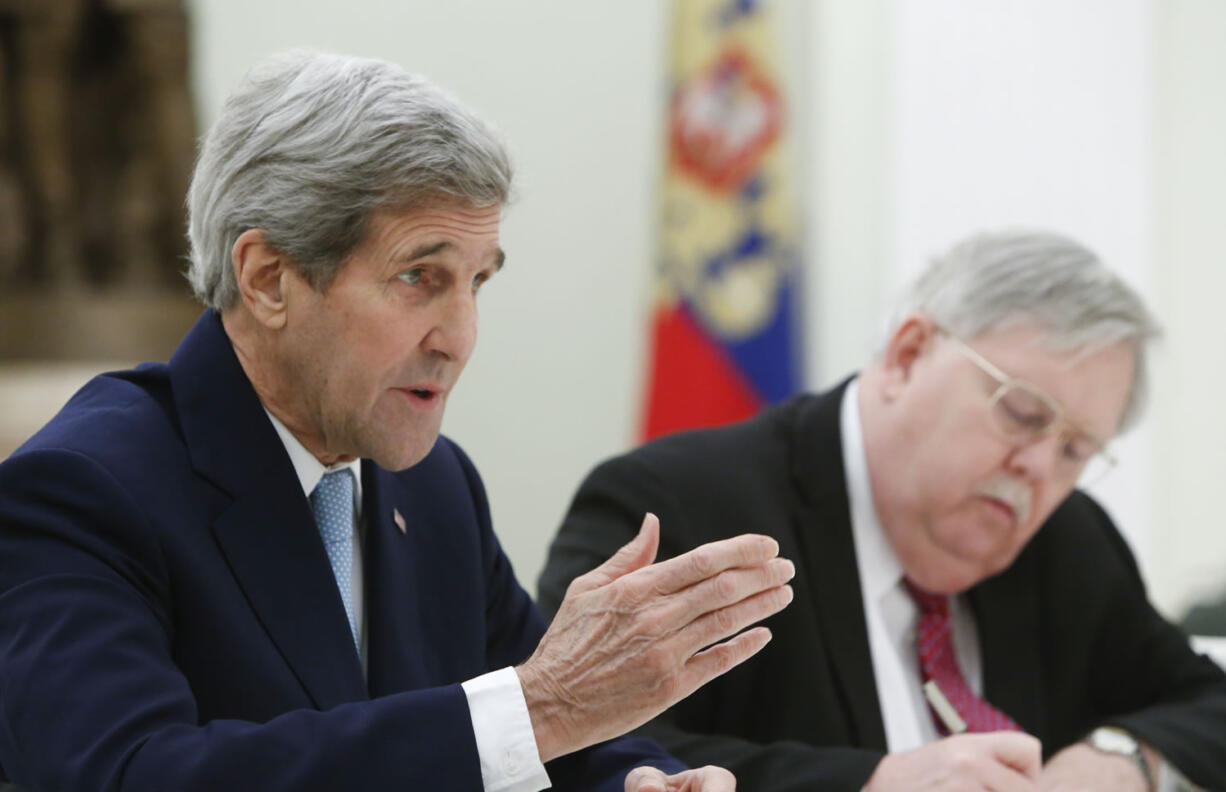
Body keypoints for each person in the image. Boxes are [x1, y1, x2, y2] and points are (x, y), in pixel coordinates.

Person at [0, 50, 798, 792]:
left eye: (476, 282)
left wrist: (637, 778)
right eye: (421, 276)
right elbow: (133, 775)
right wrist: (546, 705)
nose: (459, 338)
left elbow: (544, 720)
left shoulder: (434, 485)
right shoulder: (84, 490)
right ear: (269, 278)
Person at [539, 230, 1226, 791]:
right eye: (1021, 414)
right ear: (906, 355)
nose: (1041, 469)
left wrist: (1118, 760)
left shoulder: (1068, 540)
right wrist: (874, 783)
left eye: (1077, 448)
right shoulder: (679, 506)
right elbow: (574, 749)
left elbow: (1207, 704)